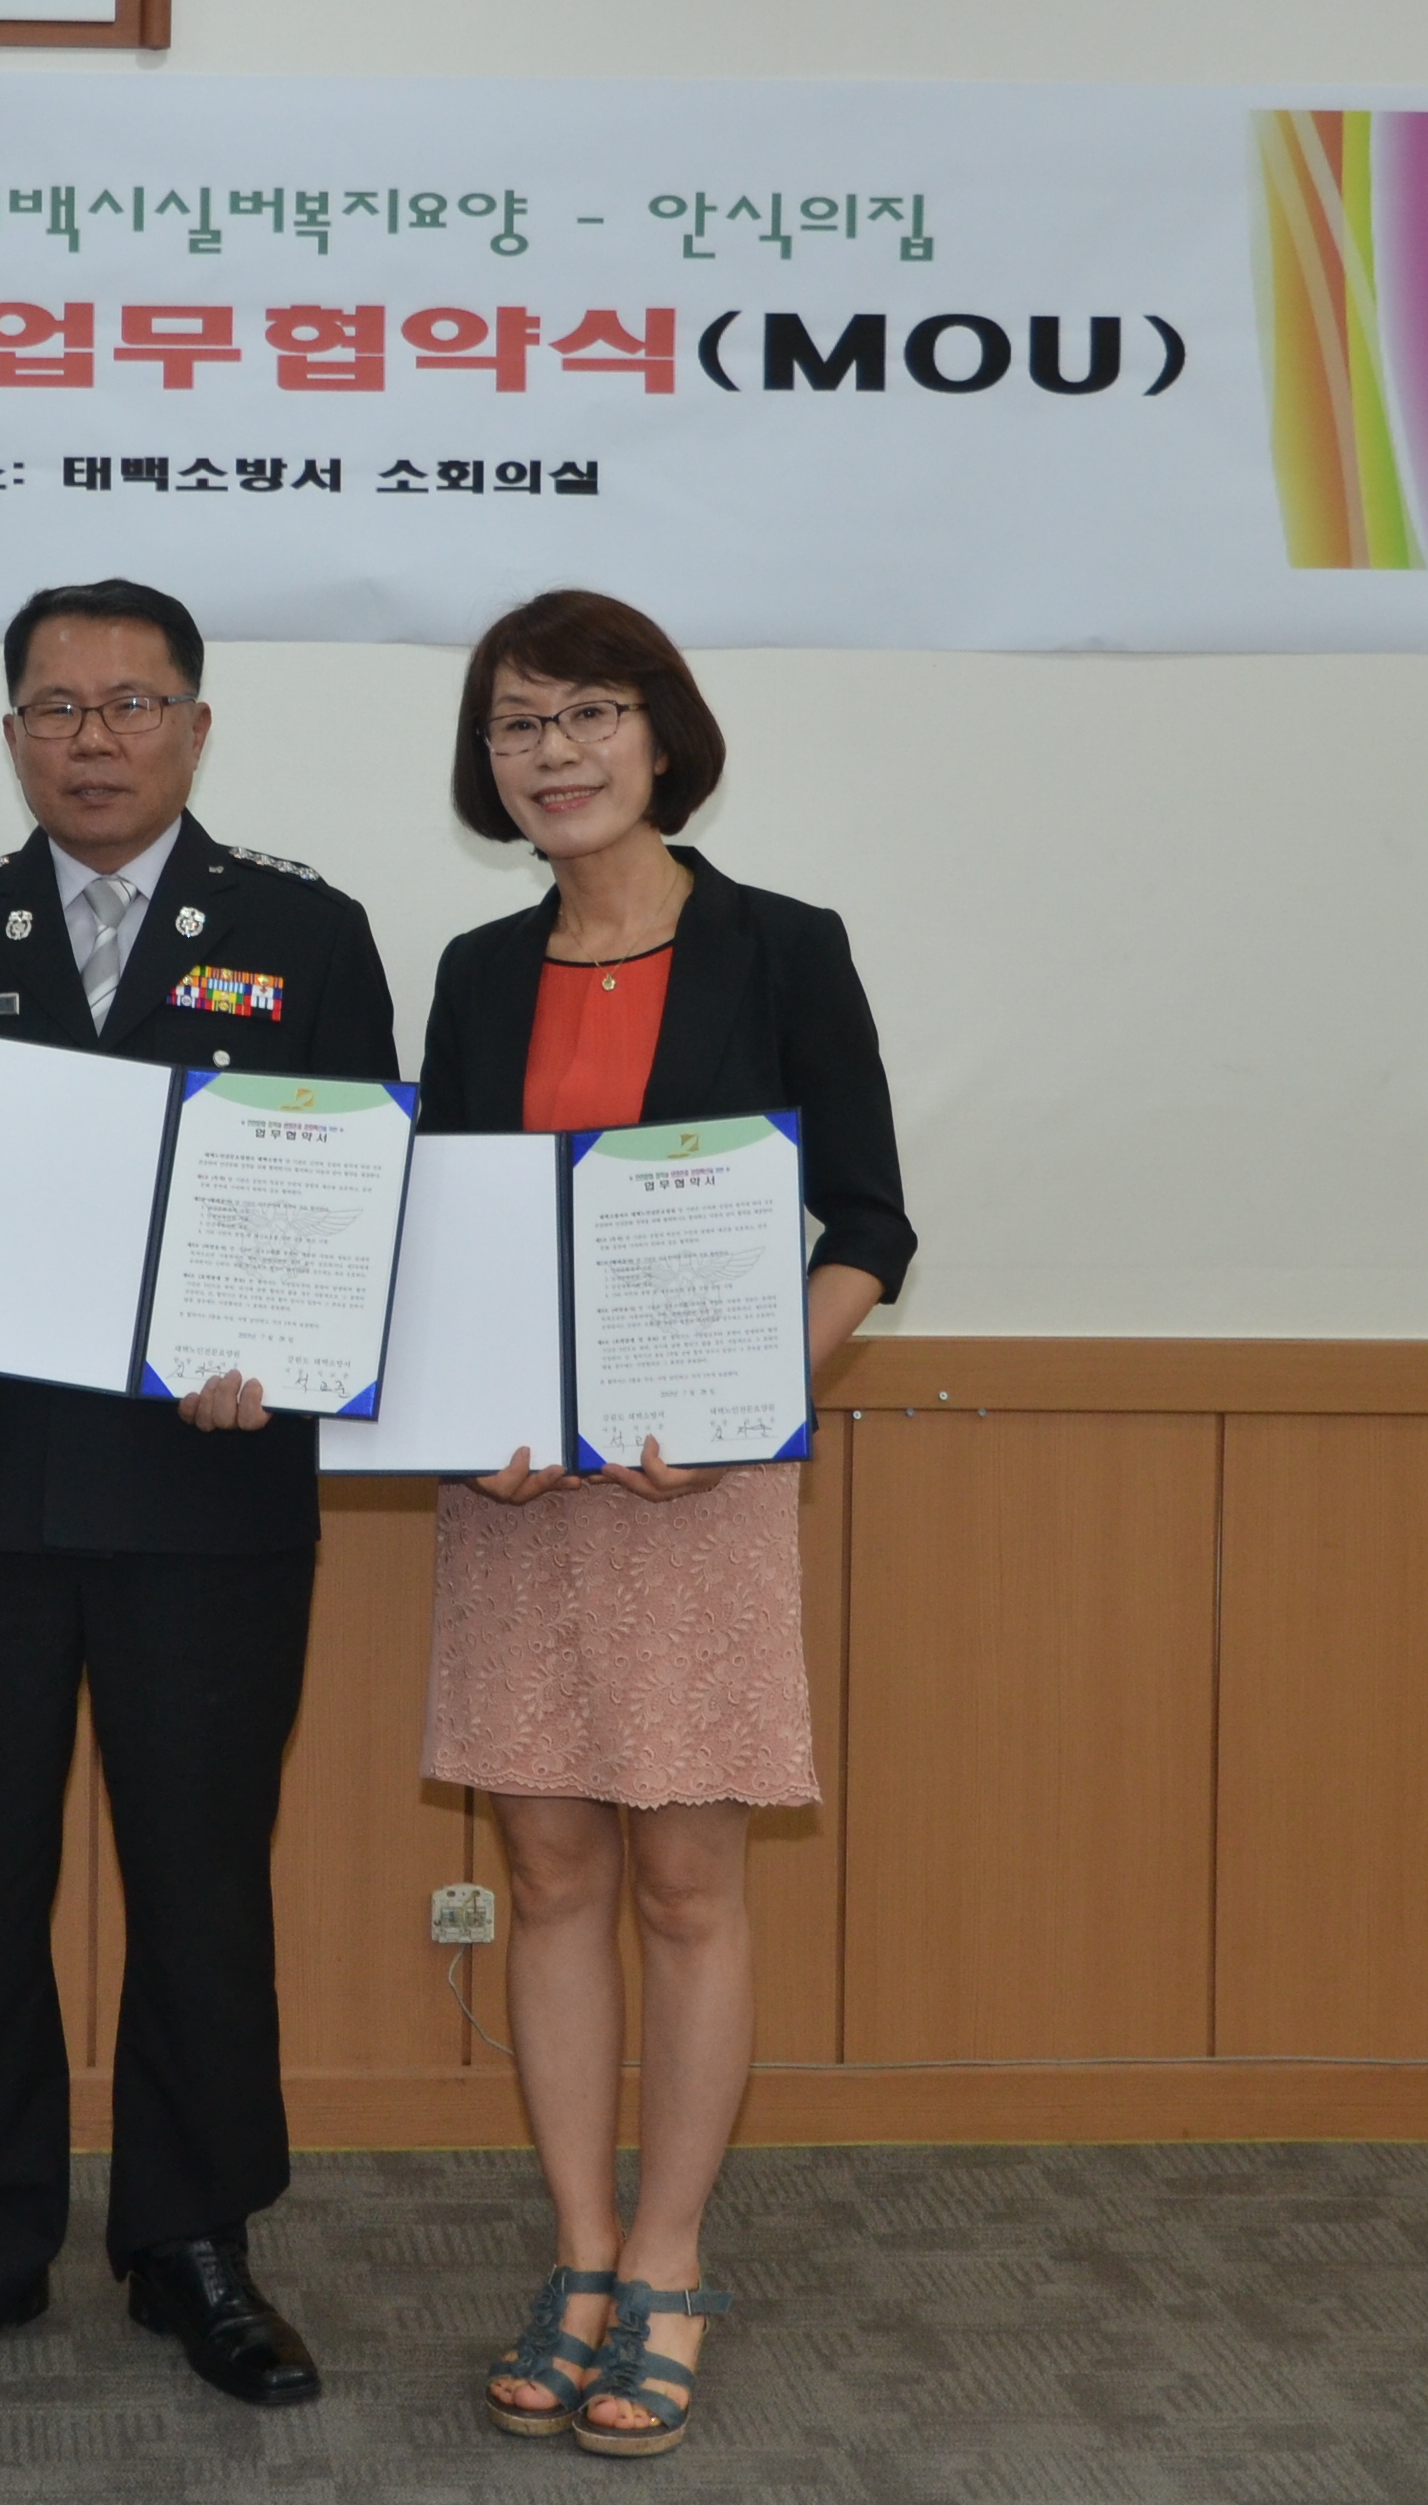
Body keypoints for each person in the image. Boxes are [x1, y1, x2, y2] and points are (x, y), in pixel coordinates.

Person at [0, 578, 398, 2408]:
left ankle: (195, 2244)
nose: (95, 738)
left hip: (209, 1500)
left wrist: (290, 1352)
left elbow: (357, 1201)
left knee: (203, 1886)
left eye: (133, 703)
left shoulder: (306, 933)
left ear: (197, 728)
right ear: (12, 734)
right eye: (57, 708)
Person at [411, 589, 915, 2463]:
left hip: (699, 1491)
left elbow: (869, 1227)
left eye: (588, 714)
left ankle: (676, 2262)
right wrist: (466, 1408)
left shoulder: (785, 947)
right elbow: (448, 1230)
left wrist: (739, 1405)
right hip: (517, 1495)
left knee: (689, 1886)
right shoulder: (476, 971)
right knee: (549, 1875)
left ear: (661, 734)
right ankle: (580, 2254)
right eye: (516, 725)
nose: (552, 753)